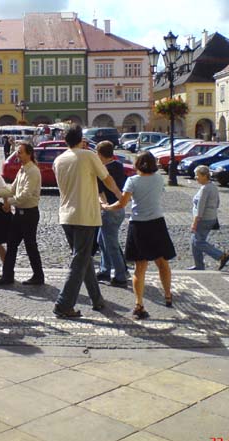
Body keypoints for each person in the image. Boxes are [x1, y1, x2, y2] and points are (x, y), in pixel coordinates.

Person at [52, 125, 122, 319]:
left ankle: (97, 299)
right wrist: (119, 195)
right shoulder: (88, 155)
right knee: (79, 261)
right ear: (81, 139)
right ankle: (63, 304)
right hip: (85, 215)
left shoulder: (58, 160)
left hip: (66, 215)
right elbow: (107, 179)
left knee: (83, 259)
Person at [101, 151, 176, 320]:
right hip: (157, 223)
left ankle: (139, 304)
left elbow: (122, 203)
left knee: (140, 267)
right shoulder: (159, 179)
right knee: (162, 262)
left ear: (137, 165)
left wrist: (106, 207)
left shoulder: (133, 181)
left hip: (139, 225)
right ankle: (168, 295)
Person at [0, 143, 45, 285]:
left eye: (20, 152)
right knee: (12, 244)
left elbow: (25, 195)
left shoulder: (33, 171)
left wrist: (9, 202)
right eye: (17, 152)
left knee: (31, 245)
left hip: (29, 214)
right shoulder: (22, 170)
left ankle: (38, 276)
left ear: (29, 154)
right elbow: (12, 189)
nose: (17, 155)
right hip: (19, 214)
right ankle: (8, 275)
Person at [95, 141, 128, 287]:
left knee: (111, 244)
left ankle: (120, 275)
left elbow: (101, 192)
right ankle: (104, 270)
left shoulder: (102, 171)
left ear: (99, 154)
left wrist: (104, 206)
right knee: (102, 240)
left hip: (109, 210)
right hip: (120, 209)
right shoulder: (118, 165)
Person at [189, 165, 229, 270]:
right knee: (194, 242)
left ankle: (221, 255)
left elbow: (200, 207)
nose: (196, 177)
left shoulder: (205, 189)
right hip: (210, 217)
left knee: (198, 242)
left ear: (204, 176)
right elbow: (217, 203)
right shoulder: (212, 187)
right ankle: (198, 265)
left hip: (203, 219)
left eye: (197, 175)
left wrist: (194, 222)